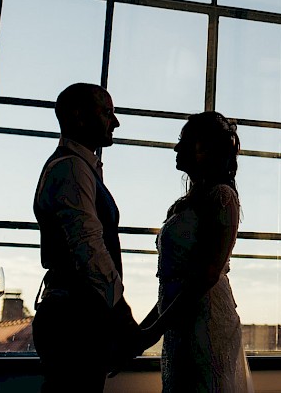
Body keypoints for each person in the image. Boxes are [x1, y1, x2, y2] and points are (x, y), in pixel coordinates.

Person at [31, 83, 143, 391]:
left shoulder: (81, 167)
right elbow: (88, 247)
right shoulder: (71, 169)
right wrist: (122, 314)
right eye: (107, 113)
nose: (116, 122)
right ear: (79, 117)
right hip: (74, 321)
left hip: (77, 316)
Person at [138, 111, 253, 393]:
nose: (176, 147)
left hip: (206, 321)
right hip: (180, 322)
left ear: (207, 148)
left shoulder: (222, 197)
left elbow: (206, 275)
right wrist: (146, 330)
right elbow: (174, 284)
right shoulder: (184, 205)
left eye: (184, 140)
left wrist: (152, 331)